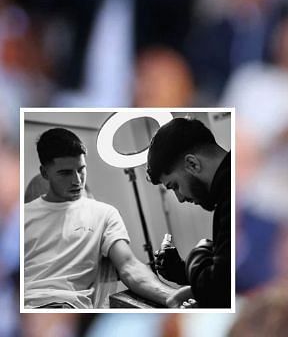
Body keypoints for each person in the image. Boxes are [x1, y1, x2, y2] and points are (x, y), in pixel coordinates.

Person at [23, 128, 192, 309]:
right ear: (45, 172)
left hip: (65, 308)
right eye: (65, 173)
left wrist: (173, 296)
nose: (77, 181)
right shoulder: (20, 217)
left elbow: (129, 266)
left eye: (81, 169)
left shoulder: (103, 214)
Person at [146, 117, 231, 308]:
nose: (180, 198)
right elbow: (227, 280)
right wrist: (181, 270)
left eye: (175, 186)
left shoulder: (232, 197)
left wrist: (200, 251)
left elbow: (218, 286)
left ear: (192, 164)